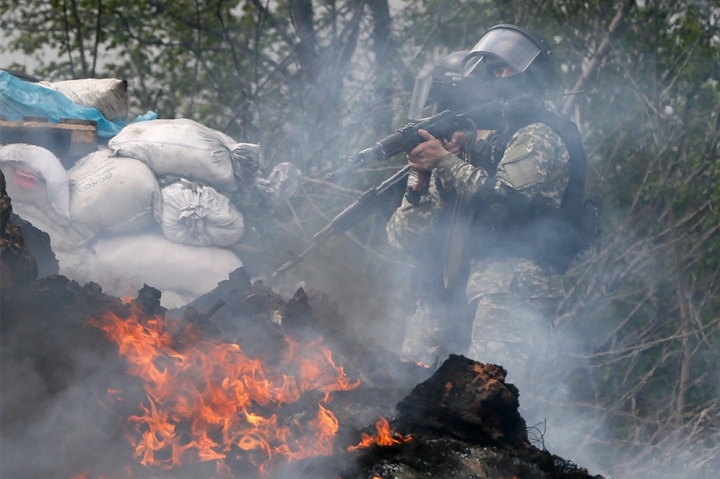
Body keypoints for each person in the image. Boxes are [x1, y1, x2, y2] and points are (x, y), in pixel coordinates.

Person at [387, 24, 592, 380]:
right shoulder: (488, 145)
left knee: (482, 399)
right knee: (414, 403)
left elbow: (503, 205)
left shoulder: (540, 134)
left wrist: (447, 162)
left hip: (513, 286)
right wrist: (424, 178)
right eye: (494, 70)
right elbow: (403, 237)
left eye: (507, 68)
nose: (500, 78)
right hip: (465, 289)